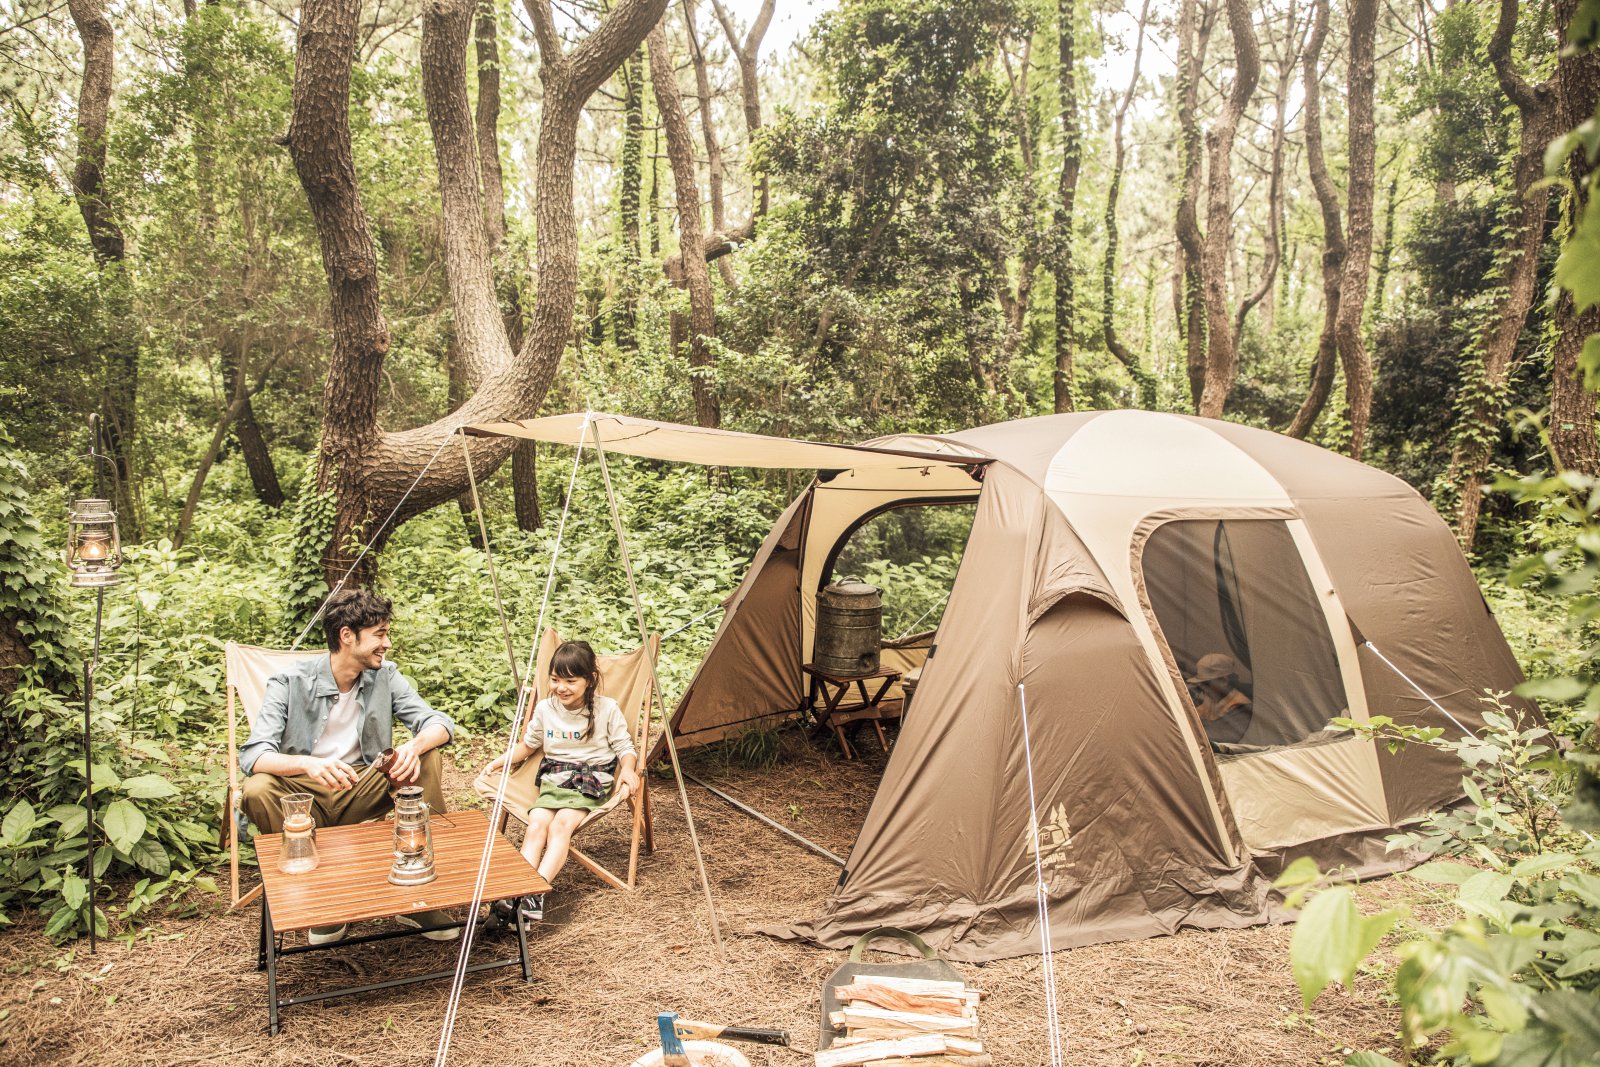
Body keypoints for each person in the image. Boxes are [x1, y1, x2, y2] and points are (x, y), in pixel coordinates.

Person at [239, 588, 458, 943]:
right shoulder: (290, 682)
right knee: (258, 788)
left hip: (362, 783)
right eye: (380, 635)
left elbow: (439, 723)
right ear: (346, 636)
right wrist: (307, 764)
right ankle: (320, 900)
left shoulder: (384, 675)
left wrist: (413, 745)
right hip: (303, 792)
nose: (386, 644)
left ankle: (420, 891)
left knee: (427, 754)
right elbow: (253, 756)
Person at [483, 639, 640, 922]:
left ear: (589, 680)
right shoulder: (546, 709)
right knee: (536, 825)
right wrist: (501, 760)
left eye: (570, 680)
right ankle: (520, 888)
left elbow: (625, 748)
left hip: (591, 779)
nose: (561, 687)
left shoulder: (606, 709)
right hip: (555, 778)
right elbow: (527, 746)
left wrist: (628, 769)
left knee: (561, 825)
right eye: (555, 679)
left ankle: (535, 891)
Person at [1185, 652, 1253, 746]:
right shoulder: (1211, 700)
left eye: (1206, 683)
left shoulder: (1242, 706)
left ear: (1223, 681)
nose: (1201, 687)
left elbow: (1222, 739)